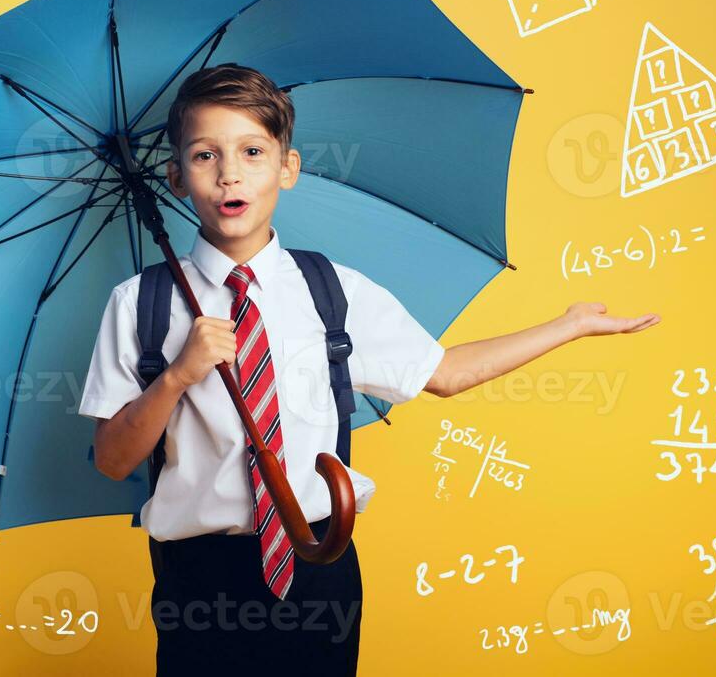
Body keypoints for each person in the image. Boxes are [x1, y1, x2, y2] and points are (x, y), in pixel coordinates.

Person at [78, 62, 659, 675]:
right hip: (199, 578)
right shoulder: (139, 303)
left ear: (287, 168)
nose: (229, 173)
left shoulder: (333, 289)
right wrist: (177, 376)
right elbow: (115, 460)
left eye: (252, 151)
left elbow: (446, 373)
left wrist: (567, 326)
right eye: (204, 155)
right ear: (174, 176)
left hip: (319, 562)